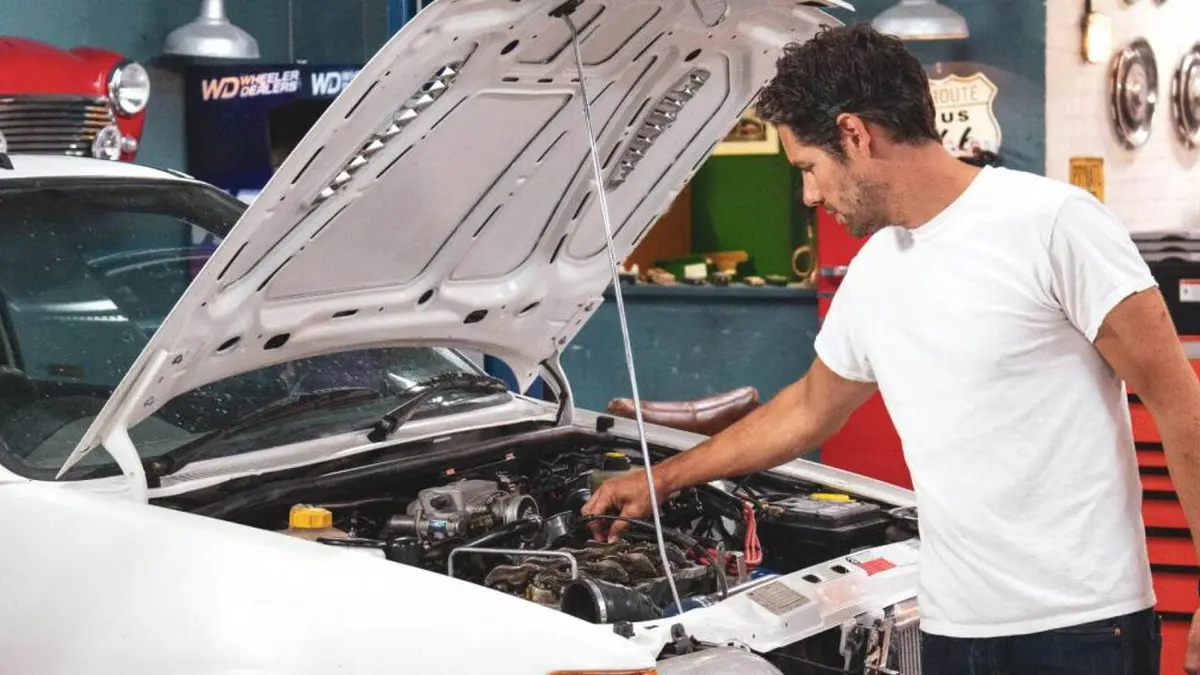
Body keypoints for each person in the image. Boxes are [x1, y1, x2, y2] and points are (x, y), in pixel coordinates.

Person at [582, 23, 1200, 675]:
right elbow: (807, 408)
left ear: (854, 134)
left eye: (808, 168)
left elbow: (1181, 404)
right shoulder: (876, 269)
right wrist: (663, 479)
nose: (809, 195)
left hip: (1082, 630)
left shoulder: (1054, 225)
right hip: (954, 630)